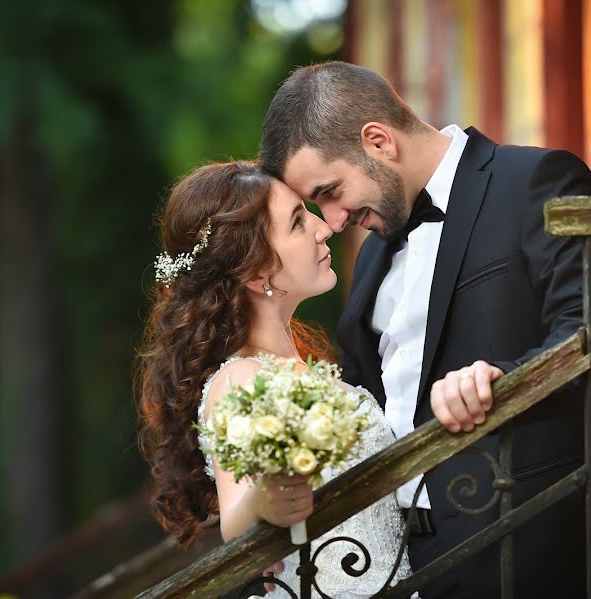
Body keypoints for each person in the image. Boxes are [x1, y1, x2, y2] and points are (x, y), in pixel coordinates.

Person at [259, 61, 591, 598]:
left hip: (535, 545)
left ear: (377, 141)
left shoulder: (533, 180)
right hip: (402, 566)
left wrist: (500, 381)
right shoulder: (373, 253)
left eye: (330, 191)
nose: (332, 220)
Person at [137, 160, 419, 597]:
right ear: (256, 274)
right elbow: (237, 511)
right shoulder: (243, 381)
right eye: (297, 223)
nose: (324, 228)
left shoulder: (301, 366)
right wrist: (265, 502)